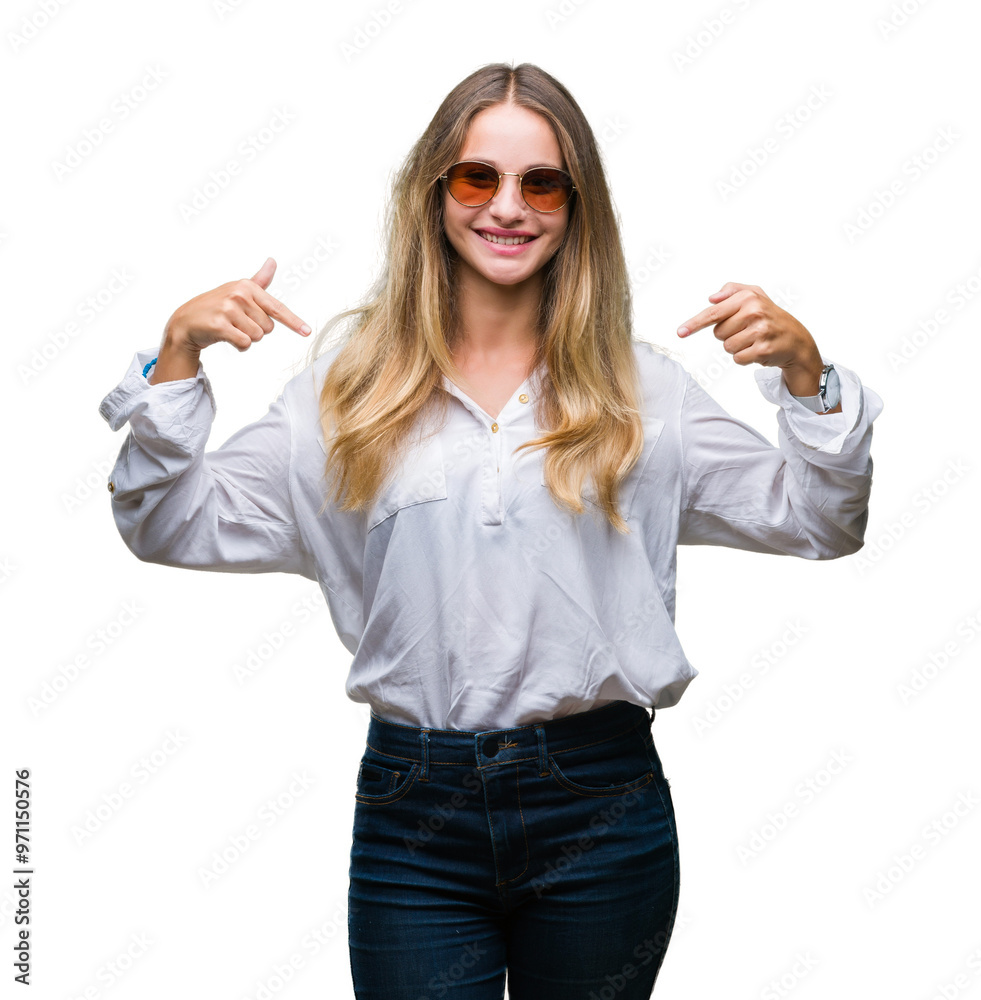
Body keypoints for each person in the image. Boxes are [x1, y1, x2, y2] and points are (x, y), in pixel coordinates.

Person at [98, 62, 882, 999]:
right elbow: (169, 523)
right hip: (413, 813)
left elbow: (820, 521)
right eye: (478, 178)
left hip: (601, 805)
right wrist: (177, 362)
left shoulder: (643, 391)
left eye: (539, 182)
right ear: (432, 195)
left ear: (574, 204)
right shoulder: (347, 387)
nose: (507, 206)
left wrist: (806, 375)